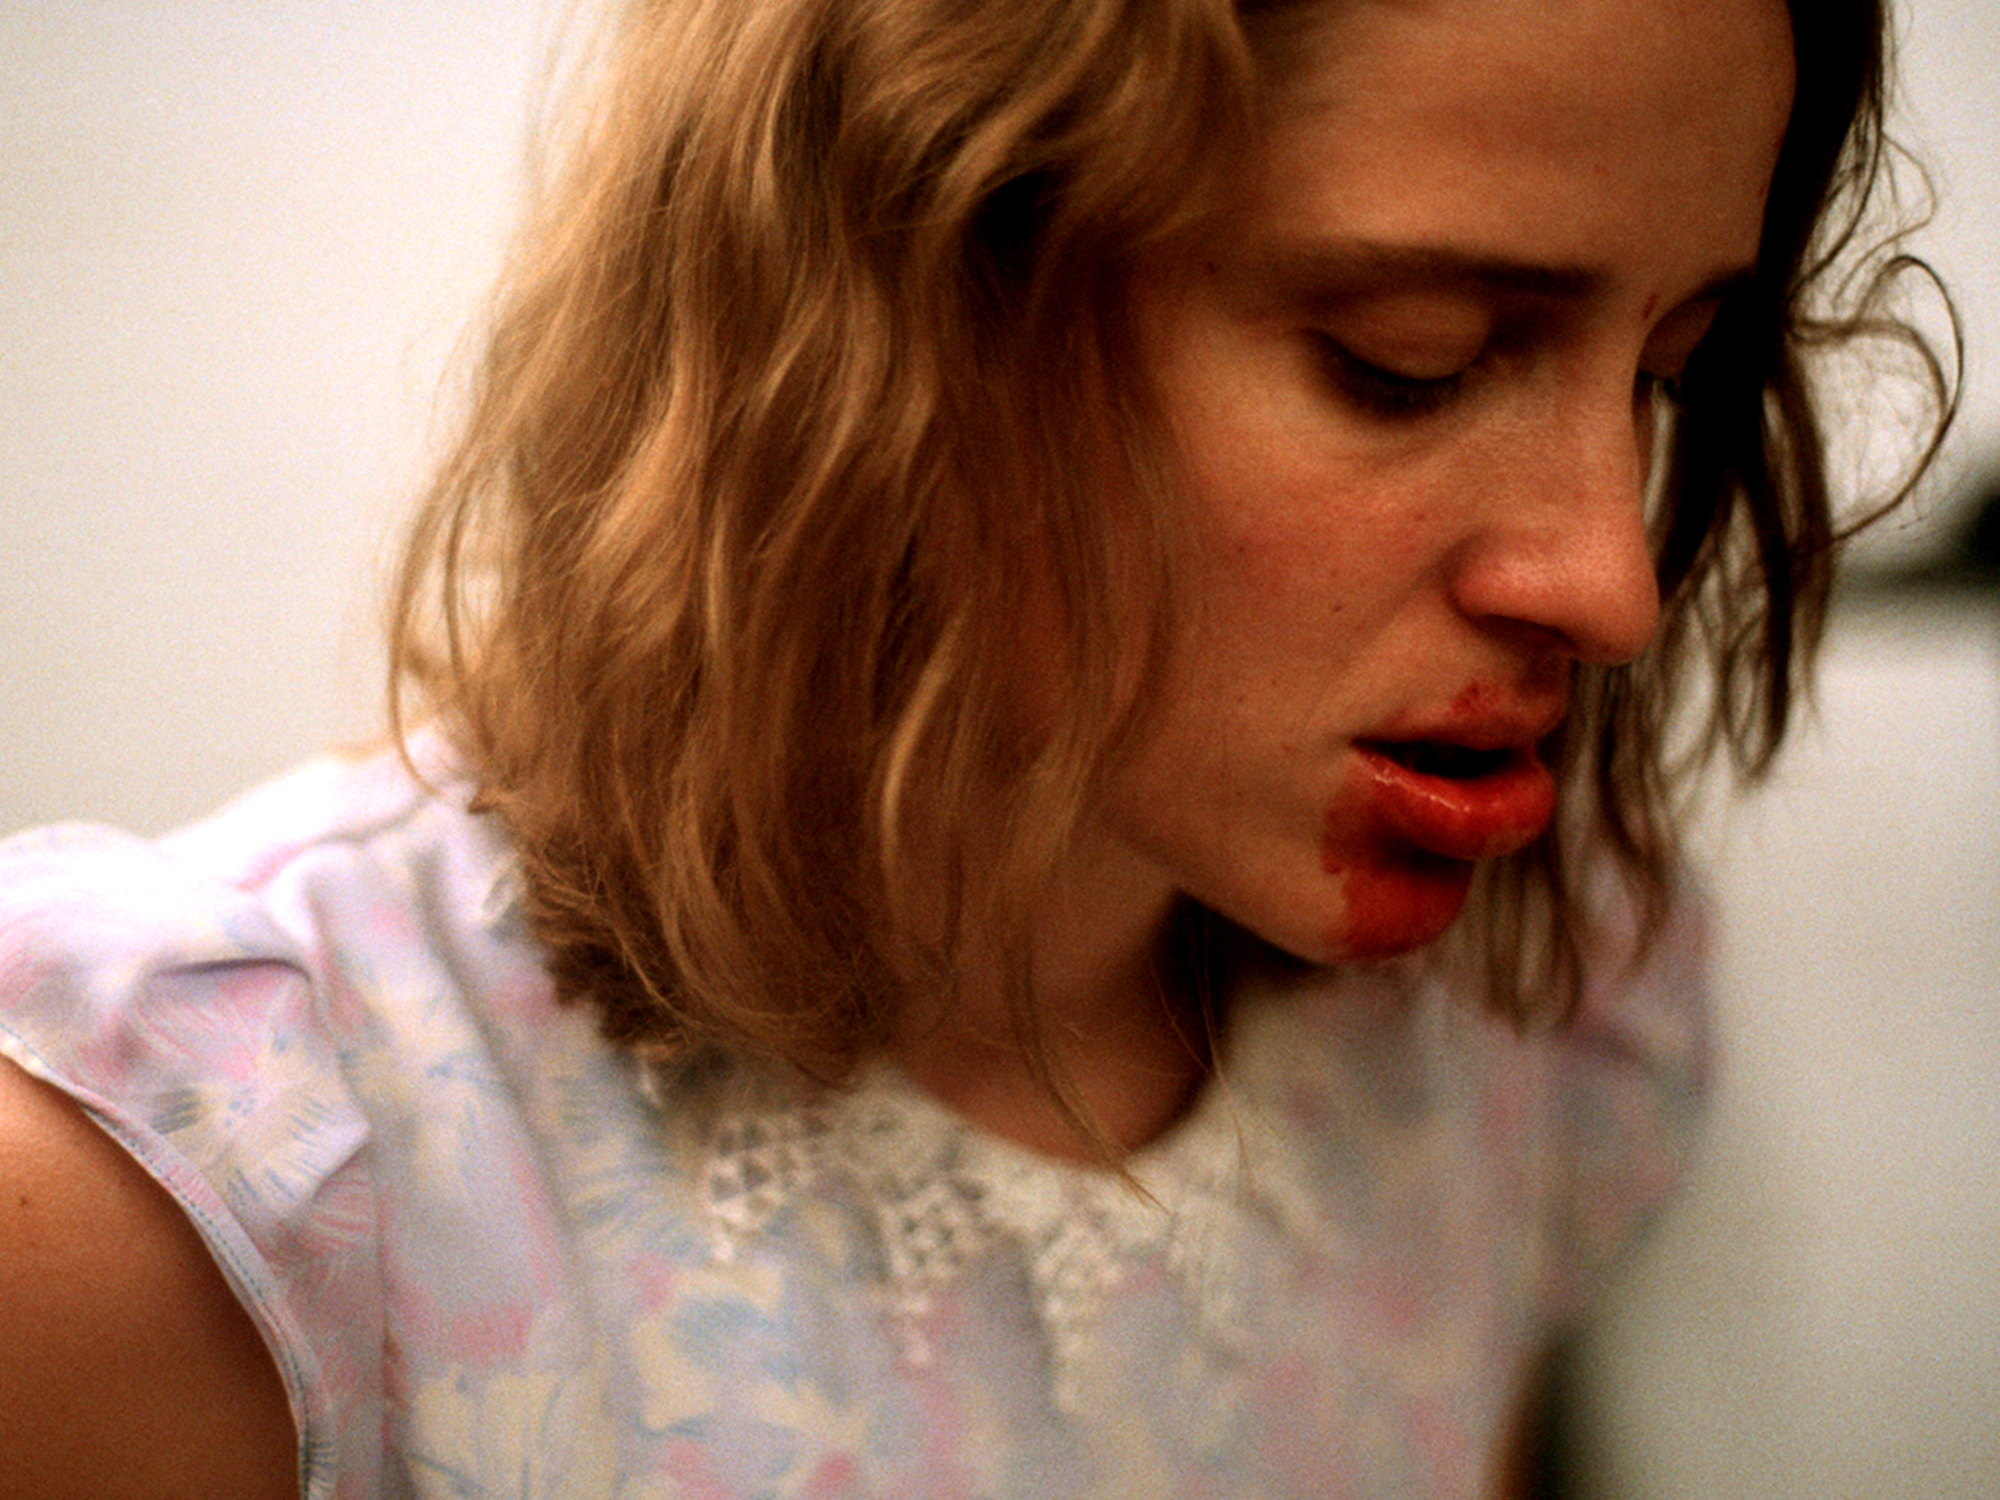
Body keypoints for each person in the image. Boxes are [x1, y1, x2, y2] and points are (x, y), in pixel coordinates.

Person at [0, 0, 1950, 1495]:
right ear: (895, 289)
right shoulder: (199, 1211)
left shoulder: (1522, 1029)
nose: (1611, 580)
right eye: (1407, 359)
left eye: (1667, 375)